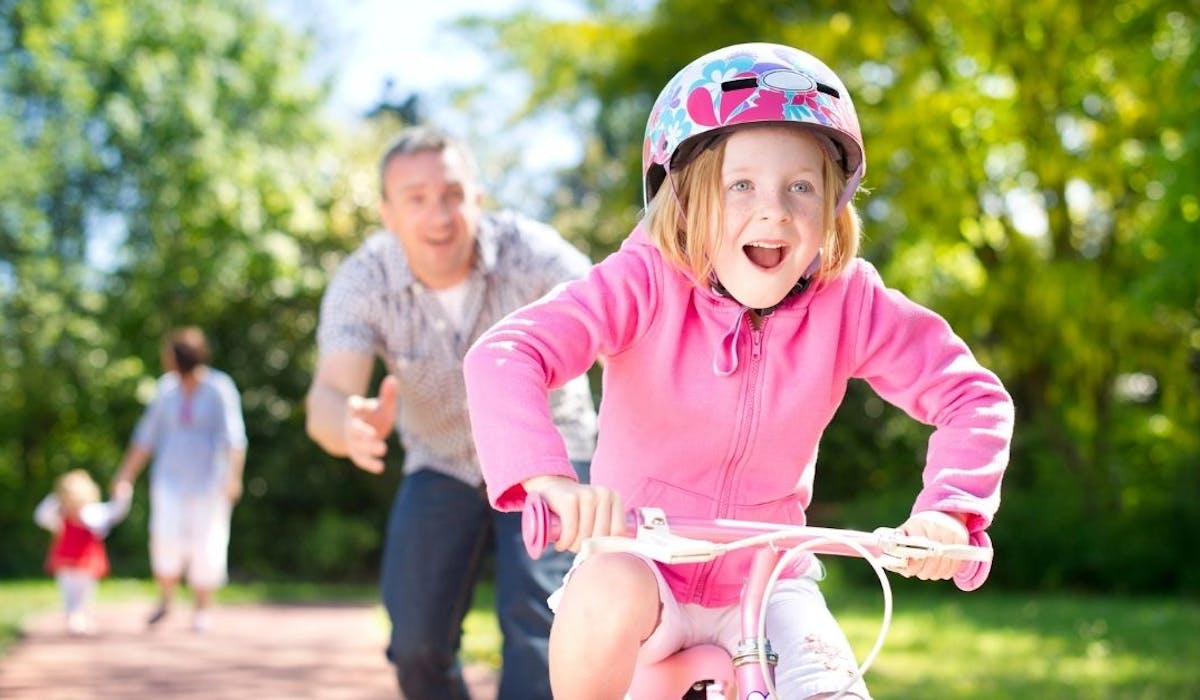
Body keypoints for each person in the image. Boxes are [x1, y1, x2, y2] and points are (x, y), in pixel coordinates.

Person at [463, 42, 1015, 699]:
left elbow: (970, 395)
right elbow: (506, 355)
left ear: (834, 204)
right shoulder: (642, 283)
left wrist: (950, 514)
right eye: (742, 184)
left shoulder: (850, 301)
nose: (774, 209)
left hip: (768, 577)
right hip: (646, 566)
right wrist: (549, 481)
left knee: (831, 686)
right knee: (606, 588)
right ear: (688, 198)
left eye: (801, 187)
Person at [304, 125, 597, 699]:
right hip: (441, 461)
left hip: (550, 457)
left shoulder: (534, 254)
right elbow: (327, 395)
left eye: (452, 194)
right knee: (415, 643)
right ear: (388, 213)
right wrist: (346, 426)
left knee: (540, 630)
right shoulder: (363, 281)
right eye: (415, 199)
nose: (438, 214)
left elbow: (627, 323)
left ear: (477, 197)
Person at [112, 326, 247, 633]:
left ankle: (202, 608)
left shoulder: (219, 388)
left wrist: (233, 479)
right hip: (170, 480)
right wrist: (125, 476)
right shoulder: (166, 390)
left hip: (208, 483)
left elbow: (235, 439)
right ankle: (166, 600)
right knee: (165, 539)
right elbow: (145, 437)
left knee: (206, 543)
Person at [34, 469, 132, 635]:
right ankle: (74, 616)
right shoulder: (59, 515)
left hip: (87, 561)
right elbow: (40, 516)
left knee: (85, 591)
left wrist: (123, 497)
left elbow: (114, 512)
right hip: (65, 560)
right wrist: (55, 498)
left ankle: (81, 615)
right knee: (68, 590)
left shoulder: (92, 513)